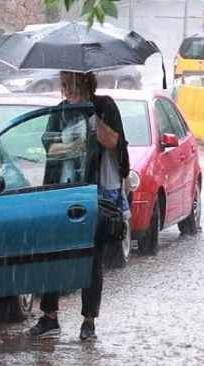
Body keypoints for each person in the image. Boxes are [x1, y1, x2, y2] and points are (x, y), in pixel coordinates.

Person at [28, 70, 129, 341]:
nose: (66, 90)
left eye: (71, 84)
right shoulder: (59, 112)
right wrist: (73, 145)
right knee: (53, 253)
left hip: (92, 194)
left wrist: (91, 119)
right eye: (63, 85)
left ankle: (88, 321)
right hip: (60, 192)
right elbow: (51, 148)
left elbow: (113, 142)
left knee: (91, 256)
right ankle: (50, 316)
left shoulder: (104, 106)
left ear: (85, 82)